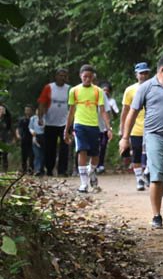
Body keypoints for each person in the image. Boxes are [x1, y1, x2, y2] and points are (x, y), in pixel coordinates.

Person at [119, 56, 163, 229]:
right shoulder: (146, 87)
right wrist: (125, 138)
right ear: (162, 70)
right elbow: (132, 113)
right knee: (157, 176)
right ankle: (156, 215)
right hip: (155, 137)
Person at [64, 65, 110, 193]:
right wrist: (66, 129)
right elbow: (71, 111)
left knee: (95, 154)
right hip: (79, 125)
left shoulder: (98, 91)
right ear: (80, 76)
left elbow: (103, 111)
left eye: (90, 77)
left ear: (93, 77)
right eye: (85, 76)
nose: (87, 79)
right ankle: (83, 183)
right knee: (82, 151)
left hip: (94, 126)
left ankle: (91, 170)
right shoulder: (74, 91)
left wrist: (108, 128)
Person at [121, 62, 151, 190]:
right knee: (137, 154)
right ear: (136, 75)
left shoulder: (153, 87)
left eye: (146, 73)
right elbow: (125, 111)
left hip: (151, 127)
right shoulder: (130, 90)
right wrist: (123, 130)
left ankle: (148, 173)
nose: (143, 75)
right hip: (135, 128)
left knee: (151, 153)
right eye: (141, 73)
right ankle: (139, 179)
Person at [36, 68, 70, 176]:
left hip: (65, 123)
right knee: (50, 147)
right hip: (50, 122)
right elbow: (42, 103)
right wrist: (40, 118)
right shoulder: (49, 87)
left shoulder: (69, 89)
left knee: (65, 147)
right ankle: (49, 169)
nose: (62, 78)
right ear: (56, 76)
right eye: (60, 75)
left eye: (64, 76)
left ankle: (62, 170)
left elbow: (73, 105)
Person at [97, 81, 119, 173]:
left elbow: (116, 115)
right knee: (95, 146)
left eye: (107, 90)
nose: (105, 92)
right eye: (104, 90)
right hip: (96, 126)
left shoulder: (112, 101)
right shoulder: (97, 100)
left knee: (103, 146)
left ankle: (101, 164)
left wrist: (110, 108)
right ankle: (94, 164)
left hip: (106, 127)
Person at [16, 106, 34, 174]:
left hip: (32, 139)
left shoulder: (33, 119)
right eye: (26, 110)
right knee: (24, 155)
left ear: (31, 111)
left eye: (29, 110)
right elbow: (18, 128)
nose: (28, 111)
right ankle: (24, 169)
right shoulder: (22, 119)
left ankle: (31, 169)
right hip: (24, 139)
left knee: (32, 155)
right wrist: (18, 135)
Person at [28, 109, 44, 175]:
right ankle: (37, 169)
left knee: (43, 154)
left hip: (44, 136)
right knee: (37, 154)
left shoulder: (46, 118)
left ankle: (42, 169)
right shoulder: (33, 118)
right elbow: (30, 128)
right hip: (36, 136)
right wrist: (33, 133)